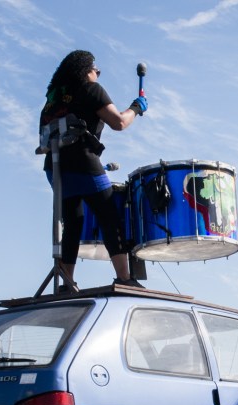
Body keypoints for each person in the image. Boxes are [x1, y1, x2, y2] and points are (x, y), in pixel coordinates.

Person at [40, 50, 148, 290]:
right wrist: (136, 108)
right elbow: (119, 122)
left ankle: (67, 282)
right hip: (83, 163)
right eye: (94, 68)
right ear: (84, 71)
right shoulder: (91, 90)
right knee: (109, 216)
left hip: (55, 169)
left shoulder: (52, 100)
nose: (97, 72)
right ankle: (124, 277)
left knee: (73, 220)